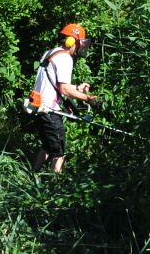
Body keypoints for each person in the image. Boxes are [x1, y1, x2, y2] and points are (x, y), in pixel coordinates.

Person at [27, 22, 99, 174]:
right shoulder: (65, 58)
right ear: (72, 41)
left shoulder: (50, 53)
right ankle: (55, 186)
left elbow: (58, 84)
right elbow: (64, 89)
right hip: (50, 111)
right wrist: (88, 98)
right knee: (59, 153)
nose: (79, 47)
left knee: (47, 146)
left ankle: (34, 174)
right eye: (79, 43)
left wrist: (78, 88)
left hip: (37, 107)